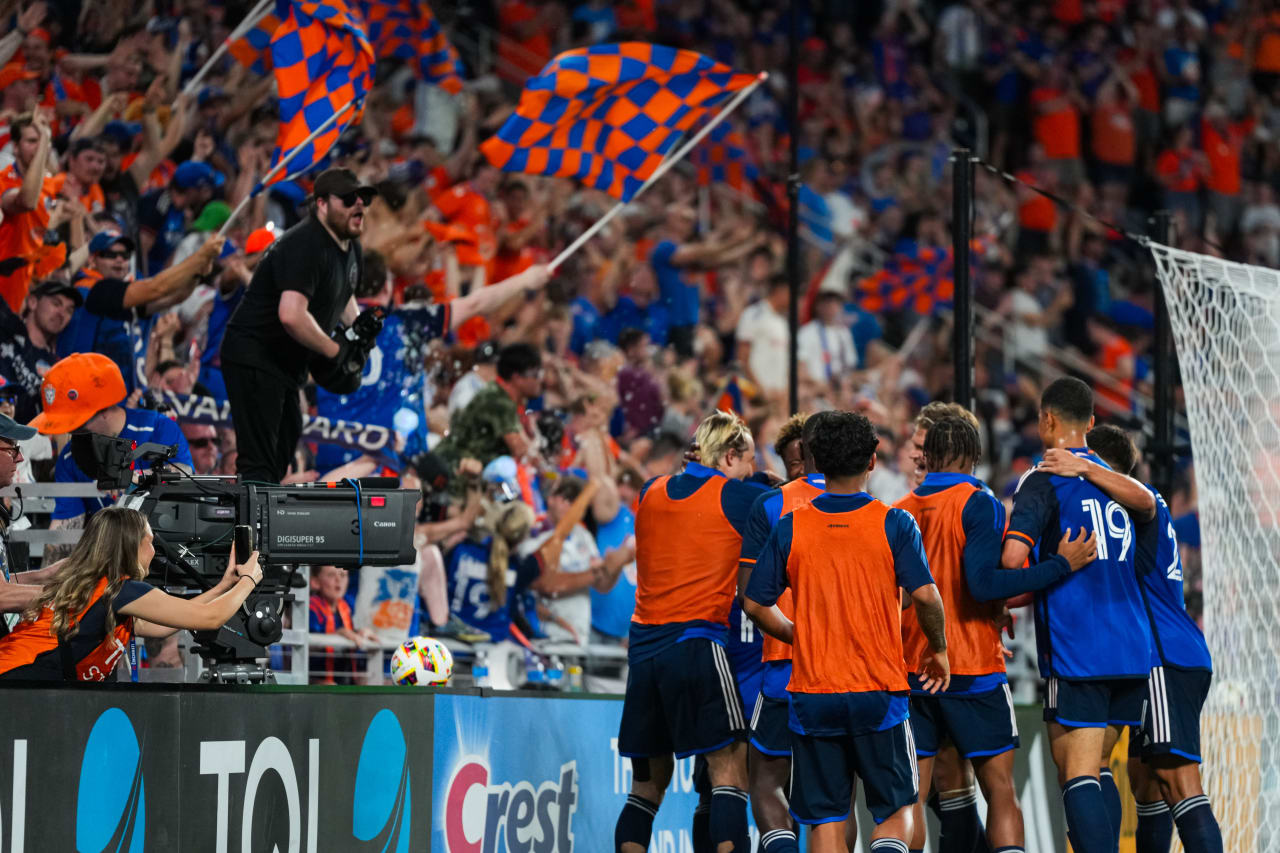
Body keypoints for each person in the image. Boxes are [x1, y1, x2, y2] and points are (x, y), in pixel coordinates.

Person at [744, 410, 949, 853]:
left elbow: (754, 604)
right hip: (879, 690)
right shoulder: (894, 523)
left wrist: (800, 636)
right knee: (896, 811)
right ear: (872, 461)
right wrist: (940, 650)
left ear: (814, 458)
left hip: (813, 692)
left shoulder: (790, 527)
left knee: (826, 821)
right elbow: (928, 598)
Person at [896, 415, 1098, 853]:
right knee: (1000, 790)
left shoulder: (899, 509)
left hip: (915, 669)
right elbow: (983, 582)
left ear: (927, 455)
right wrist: (1061, 565)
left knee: (910, 800)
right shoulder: (977, 501)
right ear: (974, 454)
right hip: (972, 668)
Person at [1039, 426, 1223, 852]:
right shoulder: (1123, 509)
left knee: (1178, 782)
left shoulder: (1139, 502)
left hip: (1164, 656)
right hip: (1152, 655)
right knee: (1142, 782)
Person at [1000, 377, 1155, 853]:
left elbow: (1010, 563)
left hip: (1078, 647)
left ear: (1047, 420)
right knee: (1099, 766)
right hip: (1131, 647)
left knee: (1076, 771)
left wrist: (1040, 575)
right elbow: (1149, 504)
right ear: (1090, 424)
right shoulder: (1120, 485)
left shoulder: (1042, 477)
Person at [614, 410, 761, 853]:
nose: (751, 471)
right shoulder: (737, 499)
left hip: (643, 653)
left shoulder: (650, 490)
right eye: (749, 460)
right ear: (730, 455)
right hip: (697, 643)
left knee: (645, 791)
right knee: (730, 770)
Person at [312, 248, 551, 473]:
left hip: (331, 460)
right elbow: (475, 303)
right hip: (390, 465)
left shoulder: (321, 326)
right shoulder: (408, 323)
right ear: (387, 288)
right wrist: (525, 280)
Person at [220, 168, 374, 484]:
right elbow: (291, 314)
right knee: (260, 464)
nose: (358, 205)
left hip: (286, 364)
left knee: (280, 457)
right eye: (347, 199)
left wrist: (358, 331)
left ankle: (262, 526)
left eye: (363, 199)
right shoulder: (306, 244)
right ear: (321, 204)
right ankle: (249, 533)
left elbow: (344, 294)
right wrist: (335, 350)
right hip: (256, 354)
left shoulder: (348, 245)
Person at [0, 506, 262, 681]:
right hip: (17, 679)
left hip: (22, 680)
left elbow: (161, 626)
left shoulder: (104, 589)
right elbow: (209, 618)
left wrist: (224, 586)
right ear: (130, 546)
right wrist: (249, 580)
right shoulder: (121, 590)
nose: (154, 551)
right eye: (150, 542)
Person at [738, 412, 836, 853]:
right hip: (845, 671)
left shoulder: (772, 506)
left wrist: (798, 634)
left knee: (765, 782)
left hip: (784, 666)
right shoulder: (876, 509)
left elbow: (750, 596)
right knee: (835, 801)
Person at [29, 353, 193, 558]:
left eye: (76, 424)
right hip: (110, 566)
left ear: (103, 409)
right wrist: (45, 585)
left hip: (168, 556)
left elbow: (187, 478)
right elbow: (63, 535)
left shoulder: (158, 428)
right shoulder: (70, 457)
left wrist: (133, 478)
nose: (72, 434)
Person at [59, 230, 222, 391]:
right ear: (93, 260)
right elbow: (157, 288)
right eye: (110, 254)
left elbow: (176, 296)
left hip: (119, 395)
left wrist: (197, 273)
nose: (119, 260)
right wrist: (198, 258)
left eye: (125, 255)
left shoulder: (125, 295)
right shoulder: (95, 290)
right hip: (86, 390)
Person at [435, 343, 545, 472]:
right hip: (451, 471)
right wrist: (537, 442)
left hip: (460, 467)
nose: (540, 381)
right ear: (517, 378)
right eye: (536, 374)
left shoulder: (498, 394)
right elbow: (521, 451)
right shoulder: (500, 402)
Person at [0, 110, 61, 312]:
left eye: (42, 140)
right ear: (15, 147)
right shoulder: (5, 179)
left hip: (25, 293)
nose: (39, 147)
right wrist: (45, 140)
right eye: (32, 141)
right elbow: (26, 201)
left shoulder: (49, 183)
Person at [0, 279, 80, 422]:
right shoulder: (6, 328)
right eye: (56, 303)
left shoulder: (58, 368)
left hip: (21, 438)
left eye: (69, 310)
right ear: (32, 302)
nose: (62, 314)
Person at [308, 565, 376, 685]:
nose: (338, 580)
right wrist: (338, 634)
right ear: (315, 582)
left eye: (343, 575)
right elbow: (308, 644)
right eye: (331, 575)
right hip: (313, 678)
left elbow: (352, 634)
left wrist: (361, 633)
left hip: (344, 677)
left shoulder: (347, 606)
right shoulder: (310, 607)